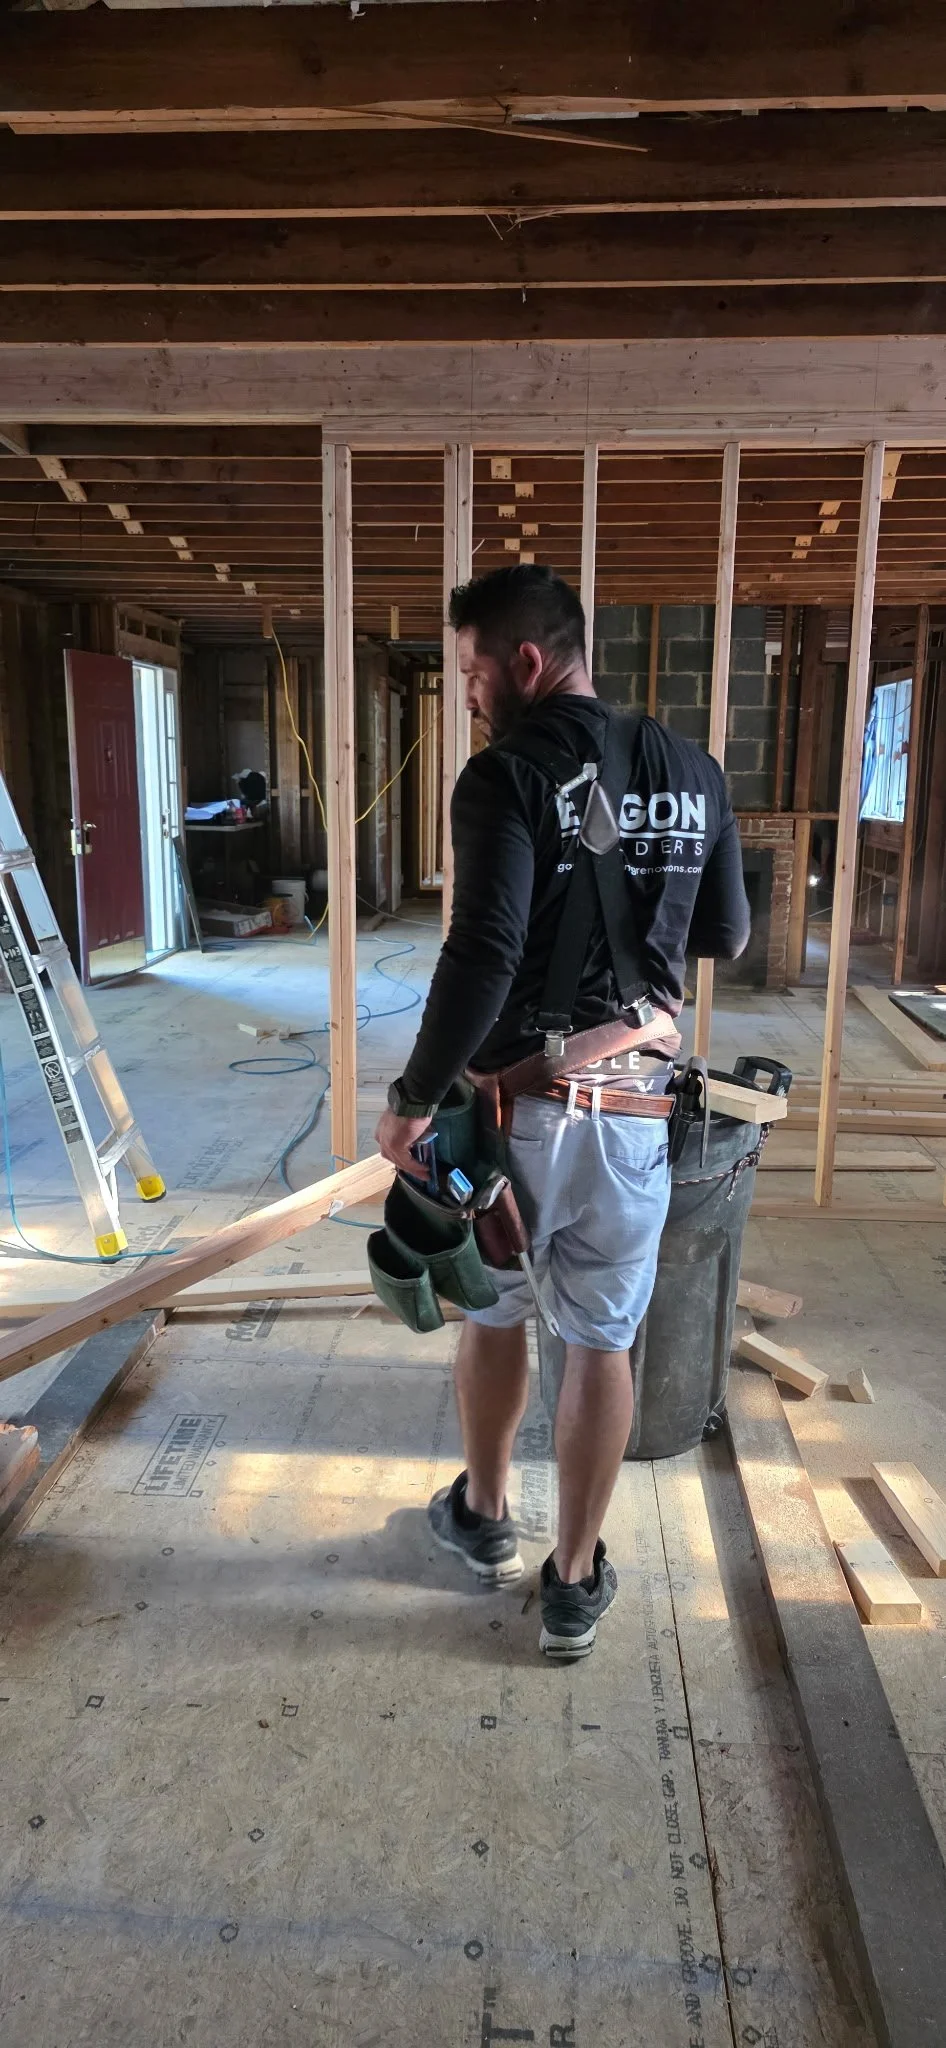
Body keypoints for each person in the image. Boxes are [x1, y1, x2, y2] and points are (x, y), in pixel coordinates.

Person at [375, 565, 750, 1661]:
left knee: (495, 1315)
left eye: (475, 673)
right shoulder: (693, 768)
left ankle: (486, 1516)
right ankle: (575, 1581)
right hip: (633, 1115)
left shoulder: (502, 775)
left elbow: (483, 949)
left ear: (525, 663)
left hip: (513, 1121)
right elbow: (721, 933)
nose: (474, 694)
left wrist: (408, 1100)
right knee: (600, 1341)